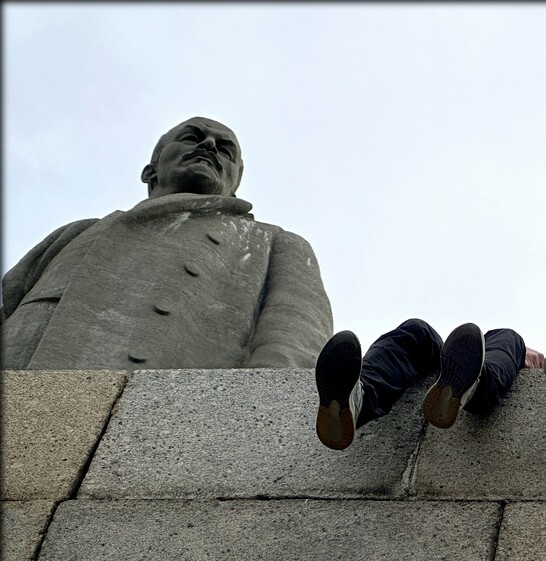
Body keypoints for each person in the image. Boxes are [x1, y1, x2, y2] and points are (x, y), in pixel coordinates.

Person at [1, 116, 333, 371]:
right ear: (150, 170)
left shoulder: (272, 243)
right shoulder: (76, 232)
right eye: (193, 137)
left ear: (234, 187)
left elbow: (293, 341)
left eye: (225, 149)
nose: (209, 147)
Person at [314, 319, 544, 450]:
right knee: (418, 330)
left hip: (484, 371)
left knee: (507, 336)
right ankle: (358, 397)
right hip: (452, 368)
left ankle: (475, 383)